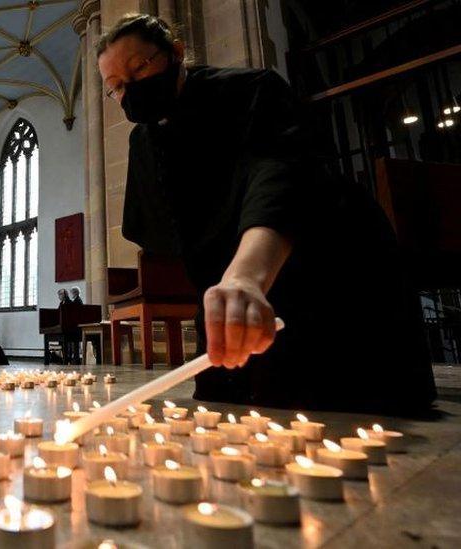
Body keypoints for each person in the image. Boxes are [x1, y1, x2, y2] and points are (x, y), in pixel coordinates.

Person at [96, 13, 435, 415]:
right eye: (116, 87)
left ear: (176, 53)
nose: (131, 90)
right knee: (221, 400)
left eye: (140, 68)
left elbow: (280, 176)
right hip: (229, 283)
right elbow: (162, 227)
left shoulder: (251, 89)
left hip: (322, 265)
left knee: (334, 401)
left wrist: (245, 276)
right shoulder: (143, 141)